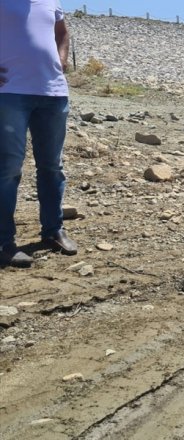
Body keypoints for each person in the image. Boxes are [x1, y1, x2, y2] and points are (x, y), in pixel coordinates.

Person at [0, 0, 78, 268]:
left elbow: (62, 33)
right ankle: (3, 242)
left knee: (52, 166)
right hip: (10, 93)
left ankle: (53, 230)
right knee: (8, 169)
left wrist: (63, 59)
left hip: (53, 94)